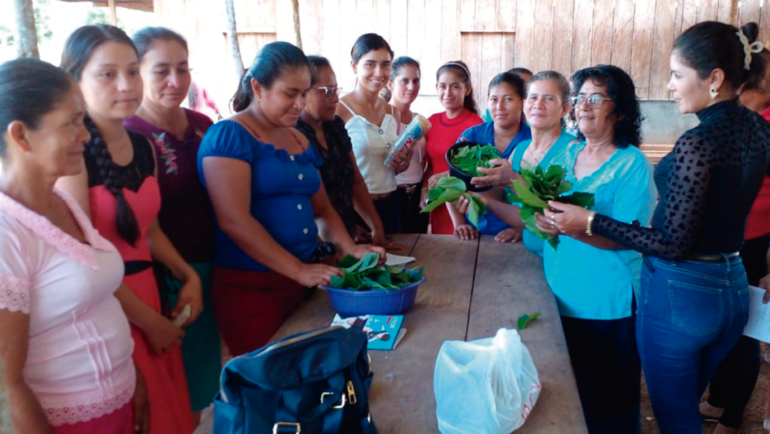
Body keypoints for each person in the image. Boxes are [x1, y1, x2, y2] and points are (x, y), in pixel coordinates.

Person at [547, 22, 770, 434]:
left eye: (677, 74)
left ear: (715, 79)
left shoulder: (698, 143)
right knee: (684, 400)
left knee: (676, 418)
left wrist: (590, 220)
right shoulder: (758, 128)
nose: (669, 86)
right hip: (733, 284)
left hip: (682, 293)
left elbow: (671, 242)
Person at [199, 41, 385, 357]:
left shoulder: (299, 138)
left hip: (303, 284)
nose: (299, 104)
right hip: (252, 288)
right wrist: (297, 270)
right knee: (268, 378)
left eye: (303, 93)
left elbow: (324, 210)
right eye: (290, 94)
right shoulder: (229, 136)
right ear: (257, 86)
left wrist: (350, 248)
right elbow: (234, 220)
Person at [59, 24, 199, 434]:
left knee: (173, 416)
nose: (126, 85)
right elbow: (82, 259)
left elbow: (148, 229)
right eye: (107, 74)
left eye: (133, 71)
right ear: (75, 81)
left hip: (151, 296)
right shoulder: (71, 153)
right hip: (110, 307)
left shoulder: (143, 146)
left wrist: (187, 274)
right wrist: (148, 322)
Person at [0, 58, 140, 434]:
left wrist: (133, 378)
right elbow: (6, 384)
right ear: (21, 136)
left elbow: (95, 302)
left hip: (116, 406)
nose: (86, 135)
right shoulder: (6, 231)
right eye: (71, 123)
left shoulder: (62, 201)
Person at [532, 65, 657, 434]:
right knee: (566, 393)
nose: (584, 106)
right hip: (559, 291)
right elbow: (544, 206)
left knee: (608, 401)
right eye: (580, 97)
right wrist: (542, 219)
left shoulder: (632, 164)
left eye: (596, 98)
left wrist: (574, 228)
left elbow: (631, 235)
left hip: (607, 303)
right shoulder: (564, 154)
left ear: (619, 111)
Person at [124, 26, 221, 421]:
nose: (175, 81)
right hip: (163, 278)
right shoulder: (129, 135)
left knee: (201, 389)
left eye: (183, 68)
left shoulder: (203, 125)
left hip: (211, 266)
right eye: (160, 70)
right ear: (137, 73)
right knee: (171, 397)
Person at [699, 47, 770, 434]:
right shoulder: (742, 122)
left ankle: (731, 417)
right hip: (729, 243)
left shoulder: (764, 126)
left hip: (758, 246)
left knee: (745, 334)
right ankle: (718, 400)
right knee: (726, 326)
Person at [459, 70, 576, 255]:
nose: (538, 104)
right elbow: (525, 215)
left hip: (563, 257)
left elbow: (557, 217)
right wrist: (481, 197)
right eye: (533, 97)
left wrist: (513, 179)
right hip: (530, 257)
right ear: (525, 103)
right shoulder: (520, 149)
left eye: (549, 99)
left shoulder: (573, 150)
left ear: (565, 108)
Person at [295, 55, 389, 246]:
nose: (335, 98)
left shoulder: (335, 126)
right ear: (302, 92)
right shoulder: (293, 136)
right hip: (315, 244)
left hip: (346, 238)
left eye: (336, 90)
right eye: (327, 91)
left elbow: (354, 179)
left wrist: (376, 228)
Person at [336, 33, 411, 235]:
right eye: (370, 64)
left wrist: (402, 163)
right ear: (354, 66)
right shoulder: (339, 110)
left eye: (385, 65)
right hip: (357, 209)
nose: (379, 72)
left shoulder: (393, 111)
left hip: (391, 203)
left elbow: (389, 168)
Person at [455, 72, 532, 242]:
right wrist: (460, 224)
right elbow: (452, 184)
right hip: (474, 232)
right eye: (494, 99)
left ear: (522, 102)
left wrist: (523, 229)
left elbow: (538, 198)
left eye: (508, 99)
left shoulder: (532, 141)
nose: (500, 106)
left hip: (517, 237)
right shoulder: (472, 136)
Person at [424, 61, 484, 235]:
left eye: (455, 87)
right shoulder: (431, 122)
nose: (448, 93)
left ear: (467, 89)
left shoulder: (476, 126)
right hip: (438, 203)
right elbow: (429, 164)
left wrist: (446, 175)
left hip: (463, 202)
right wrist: (423, 191)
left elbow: (479, 169)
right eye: (443, 86)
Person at [388, 56, 429, 234]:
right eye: (404, 81)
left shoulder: (420, 121)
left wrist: (426, 188)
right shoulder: (381, 120)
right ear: (390, 84)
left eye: (416, 81)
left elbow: (427, 162)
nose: (411, 87)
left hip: (418, 198)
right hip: (391, 197)